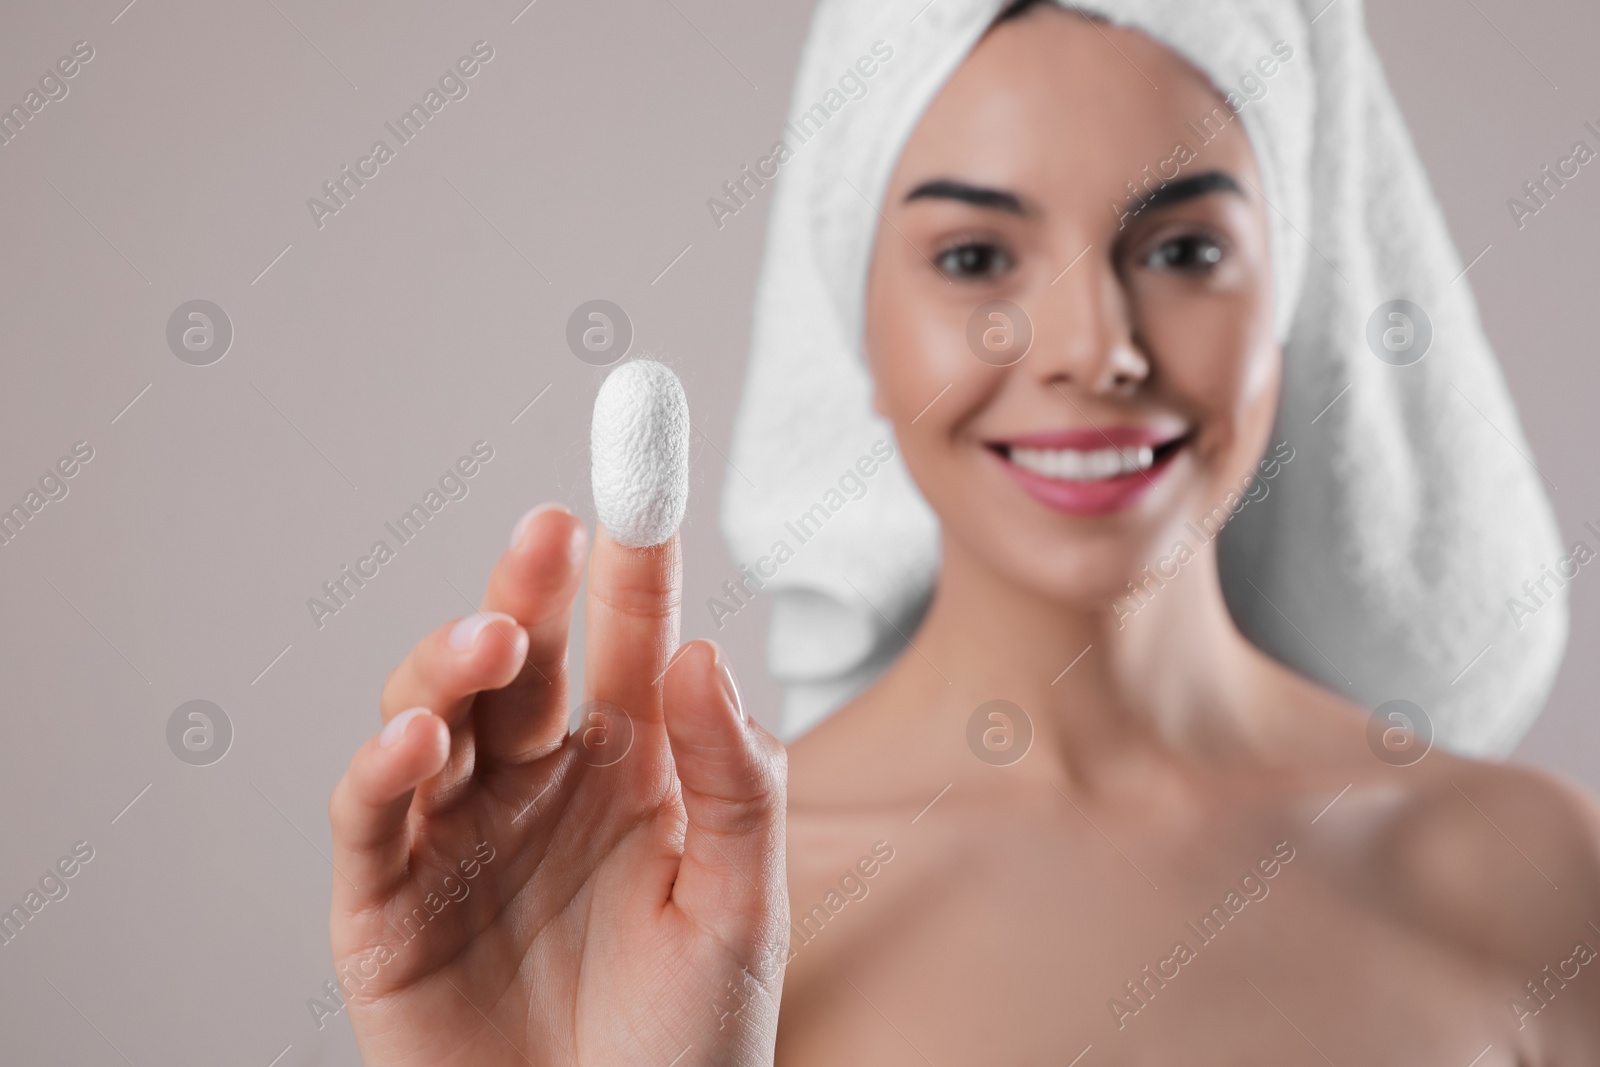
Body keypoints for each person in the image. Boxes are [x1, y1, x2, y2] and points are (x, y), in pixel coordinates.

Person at [327, 1, 1600, 1063]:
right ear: (855, 322)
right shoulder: (682, 912)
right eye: (978, 257)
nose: (1091, 347)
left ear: (1292, 289)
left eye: (1186, 245)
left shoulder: (1539, 879)